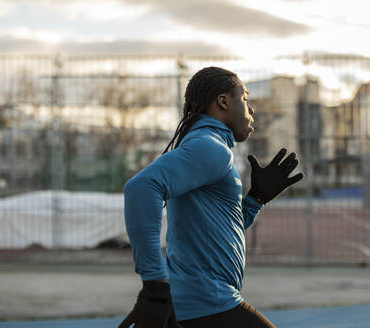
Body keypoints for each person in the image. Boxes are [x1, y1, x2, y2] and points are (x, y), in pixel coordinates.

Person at [119, 66, 304, 328]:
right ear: (224, 101)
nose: (251, 110)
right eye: (245, 98)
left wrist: (255, 200)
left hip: (199, 303)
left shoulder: (204, 145)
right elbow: (140, 188)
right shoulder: (210, 147)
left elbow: (215, 230)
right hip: (208, 303)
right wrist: (154, 286)